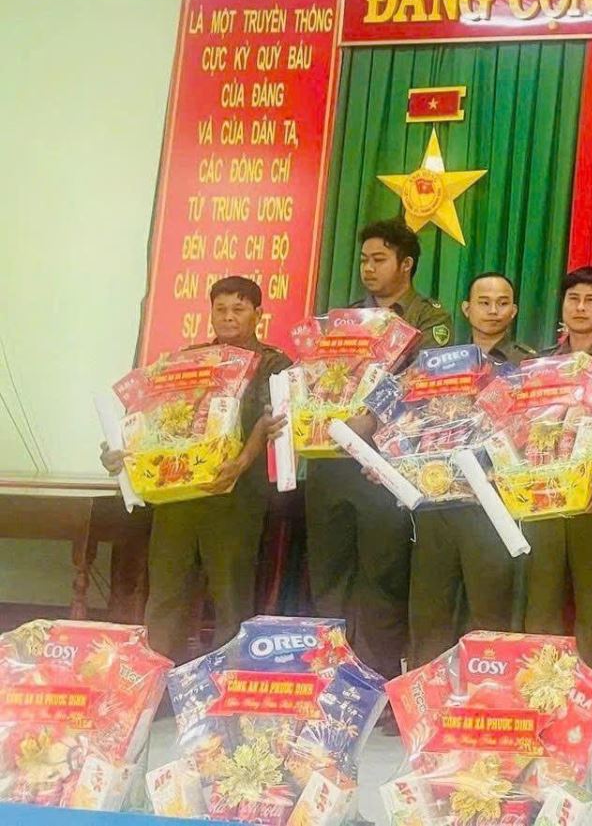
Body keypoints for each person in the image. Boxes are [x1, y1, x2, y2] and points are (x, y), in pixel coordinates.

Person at [101, 276, 289, 662]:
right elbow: (155, 419)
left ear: (258, 314)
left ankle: (225, 681)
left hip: (236, 495)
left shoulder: (273, 363)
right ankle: (157, 682)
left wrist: (241, 462)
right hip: (178, 495)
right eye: (220, 309)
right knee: (166, 594)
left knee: (231, 596)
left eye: (238, 309)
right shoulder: (187, 362)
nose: (228, 317)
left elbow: (271, 417)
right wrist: (121, 449)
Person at [307, 218, 451, 677]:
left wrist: (371, 417)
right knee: (329, 573)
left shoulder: (430, 319)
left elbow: (422, 380)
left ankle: (378, 680)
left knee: (381, 575)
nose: (368, 269)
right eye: (364, 260)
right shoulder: (344, 320)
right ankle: (332, 679)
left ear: (406, 264)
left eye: (379, 260)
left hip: (384, 464)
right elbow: (318, 379)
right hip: (331, 461)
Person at [405, 271, 537, 669]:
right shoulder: (436, 364)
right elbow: (411, 421)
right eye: (483, 302)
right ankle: (426, 691)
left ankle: (487, 689)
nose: (492, 310)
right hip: (438, 499)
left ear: (514, 310)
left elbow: (537, 427)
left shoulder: (528, 364)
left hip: (493, 503)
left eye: (502, 303)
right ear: (466, 308)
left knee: (489, 607)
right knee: (430, 608)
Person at [523, 265, 592, 673]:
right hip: (545, 496)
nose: (580, 308)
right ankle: (542, 687)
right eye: (573, 299)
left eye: (590, 300)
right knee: (542, 597)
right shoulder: (540, 365)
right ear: (563, 305)